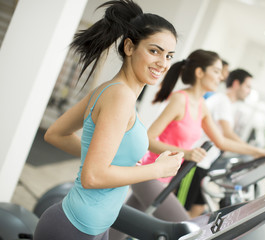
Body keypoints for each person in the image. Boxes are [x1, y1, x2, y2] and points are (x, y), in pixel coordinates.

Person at [33, 1, 183, 240]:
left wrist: (113, 164)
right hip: (73, 229)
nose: (163, 63)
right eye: (154, 51)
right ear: (129, 47)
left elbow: (56, 133)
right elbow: (93, 177)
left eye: (169, 56)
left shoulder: (110, 90)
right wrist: (156, 169)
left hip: (94, 227)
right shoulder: (120, 96)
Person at [125, 50, 265, 222]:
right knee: (183, 227)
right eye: (216, 72)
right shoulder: (180, 100)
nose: (220, 78)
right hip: (149, 172)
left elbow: (221, 141)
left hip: (165, 176)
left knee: (121, 227)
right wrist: (186, 153)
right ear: (199, 72)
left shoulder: (201, 105)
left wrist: (258, 152)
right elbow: (148, 139)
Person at [180, 68, 265, 218]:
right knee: (180, 211)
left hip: (204, 163)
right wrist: (256, 151)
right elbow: (227, 136)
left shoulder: (226, 103)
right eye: (247, 86)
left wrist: (254, 151)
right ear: (236, 84)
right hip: (195, 162)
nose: (249, 91)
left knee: (198, 207)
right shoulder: (222, 101)